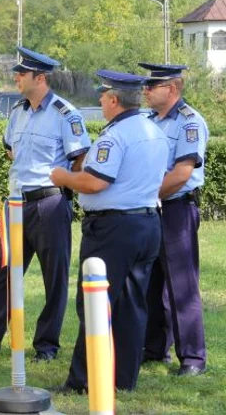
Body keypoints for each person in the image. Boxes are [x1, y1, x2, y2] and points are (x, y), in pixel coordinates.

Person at [0, 46, 91, 362]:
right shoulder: (17, 111)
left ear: (39, 77)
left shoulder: (65, 114)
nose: (15, 77)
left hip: (49, 205)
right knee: (3, 272)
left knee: (53, 278)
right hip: (16, 205)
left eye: (21, 73)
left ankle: (46, 345)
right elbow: (9, 149)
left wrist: (64, 191)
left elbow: (80, 159)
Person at [51, 70, 169, 392]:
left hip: (113, 228)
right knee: (132, 306)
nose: (100, 101)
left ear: (114, 100)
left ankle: (83, 381)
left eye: (103, 96)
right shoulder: (153, 129)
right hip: (147, 223)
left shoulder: (114, 136)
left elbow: (95, 181)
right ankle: (123, 380)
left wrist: (62, 177)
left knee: (94, 303)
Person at [139, 62, 209, 376]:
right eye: (146, 86)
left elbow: (181, 174)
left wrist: (146, 194)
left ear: (173, 89)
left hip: (176, 209)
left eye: (152, 86)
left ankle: (193, 359)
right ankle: (155, 349)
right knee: (152, 283)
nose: (146, 91)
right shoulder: (149, 121)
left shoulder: (189, 123)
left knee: (182, 286)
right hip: (152, 209)